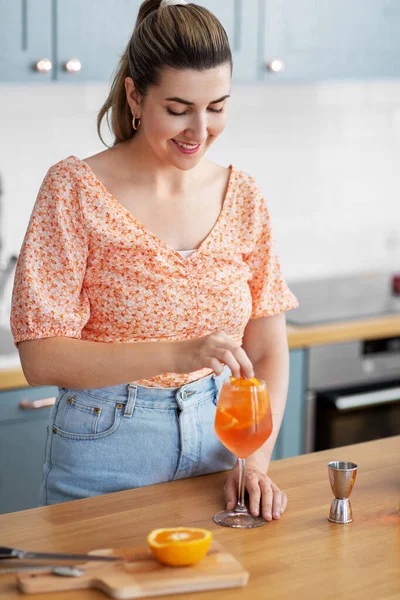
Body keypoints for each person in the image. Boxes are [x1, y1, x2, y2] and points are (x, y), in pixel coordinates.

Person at [10, 0, 298, 521]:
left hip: (221, 446)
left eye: (217, 107)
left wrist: (255, 461)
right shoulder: (74, 189)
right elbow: (41, 358)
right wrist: (177, 354)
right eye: (178, 107)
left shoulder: (243, 195)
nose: (199, 130)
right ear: (135, 96)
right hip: (107, 447)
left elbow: (269, 349)